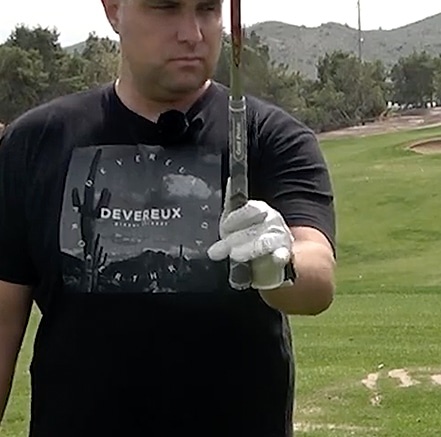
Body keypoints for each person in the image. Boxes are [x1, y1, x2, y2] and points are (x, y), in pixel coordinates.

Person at [0, 0, 336, 436]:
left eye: (208, 9)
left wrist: (279, 262)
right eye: (166, 8)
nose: (193, 33)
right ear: (114, 9)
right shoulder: (36, 141)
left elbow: (317, 275)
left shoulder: (271, 137)